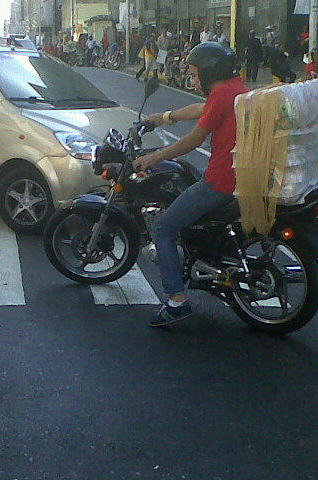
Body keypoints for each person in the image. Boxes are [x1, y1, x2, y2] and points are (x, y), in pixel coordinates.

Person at [132, 42, 248, 326]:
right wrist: (163, 118)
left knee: (163, 227)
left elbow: (193, 141)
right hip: (239, 177)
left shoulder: (222, 93)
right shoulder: (234, 87)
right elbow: (202, 108)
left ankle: (176, 302)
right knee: (184, 179)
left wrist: (153, 157)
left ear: (209, 73)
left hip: (221, 182)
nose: (192, 80)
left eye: (195, 75)